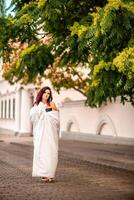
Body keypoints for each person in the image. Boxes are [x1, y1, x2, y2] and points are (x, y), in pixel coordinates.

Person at [30, 86, 60, 183]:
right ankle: (44, 173)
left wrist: (46, 112)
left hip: (51, 132)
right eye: (45, 92)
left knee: (51, 151)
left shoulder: (52, 104)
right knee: (42, 152)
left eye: (48, 93)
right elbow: (33, 118)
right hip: (41, 132)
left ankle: (50, 174)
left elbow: (56, 117)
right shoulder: (36, 105)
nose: (47, 94)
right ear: (41, 93)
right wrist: (40, 111)